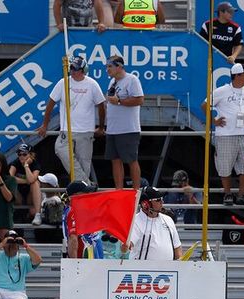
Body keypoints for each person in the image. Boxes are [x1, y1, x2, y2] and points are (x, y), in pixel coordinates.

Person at [203, 63, 244, 206]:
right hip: (226, 134)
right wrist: (214, 121)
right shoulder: (222, 90)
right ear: (237, 76)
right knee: (225, 167)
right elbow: (205, 104)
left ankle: (241, 194)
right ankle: (227, 194)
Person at [38, 56, 106, 183]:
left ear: (83, 70)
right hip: (66, 129)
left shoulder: (92, 84)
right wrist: (44, 125)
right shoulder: (63, 82)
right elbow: (50, 104)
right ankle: (86, 184)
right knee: (60, 149)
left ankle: (82, 188)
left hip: (85, 130)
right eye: (71, 68)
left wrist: (101, 127)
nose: (72, 71)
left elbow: (101, 105)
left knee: (84, 162)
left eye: (75, 69)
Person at [104, 55, 144, 190]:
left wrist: (119, 101)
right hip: (113, 129)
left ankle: (136, 191)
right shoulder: (112, 82)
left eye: (110, 66)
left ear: (119, 66)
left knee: (131, 160)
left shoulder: (131, 79)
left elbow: (139, 100)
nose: (107, 70)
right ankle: (118, 191)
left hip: (128, 129)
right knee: (115, 160)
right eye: (107, 67)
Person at [123, 187, 182, 260]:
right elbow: (127, 247)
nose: (162, 202)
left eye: (162, 199)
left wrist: (180, 263)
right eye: (158, 200)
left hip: (167, 270)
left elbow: (177, 247)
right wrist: (125, 246)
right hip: (142, 270)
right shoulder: (135, 221)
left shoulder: (168, 219)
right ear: (145, 204)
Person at [62, 180, 100, 258]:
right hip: (84, 264)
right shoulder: (74, 211)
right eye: (86, 192)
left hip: (89, 263)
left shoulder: (73, 210)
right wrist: (75, 266)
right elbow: (73, 239)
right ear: (75, 196)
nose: (89, 195)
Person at [9, 144, 43, 226]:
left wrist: (26, 165)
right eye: (19, 154)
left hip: (30, 197)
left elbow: (32, 180)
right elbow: (9, 178)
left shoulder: (35, 164)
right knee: (9, 184)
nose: (21, 156)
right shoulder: (16, 162)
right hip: (18, 196)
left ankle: (38, 215)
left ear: (31, 155)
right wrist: (25, 181)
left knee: (35, 183)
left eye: (24, 154)